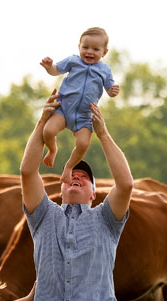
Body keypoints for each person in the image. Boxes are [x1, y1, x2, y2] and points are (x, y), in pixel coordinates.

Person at [19, 91, 141, 301]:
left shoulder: (106, 219)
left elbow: (127, 183)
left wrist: (102, 133)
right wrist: (42, 123)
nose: (76, 176)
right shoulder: (43, 217)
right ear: (58, 188)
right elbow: (27, 170)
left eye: (84, 178)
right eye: (71, 174)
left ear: (93, 194)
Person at [40, 26, 120, 185]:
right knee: (48, 131)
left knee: (83, 144)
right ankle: (52, 149)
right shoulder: (73, 61)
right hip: (63, 109)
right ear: (79, 47)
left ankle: (68, 167)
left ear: (104, 52)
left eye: (95, 49)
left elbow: (110, 89)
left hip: (84, 116)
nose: (89, 52)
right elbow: (56, 70)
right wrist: (49, 67)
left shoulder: (104, 69)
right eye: (85, 47)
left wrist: (113, 91)